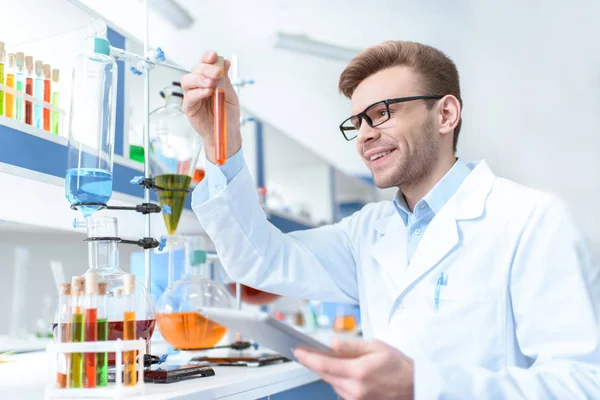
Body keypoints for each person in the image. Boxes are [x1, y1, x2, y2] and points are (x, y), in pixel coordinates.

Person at [180, 41, 600, 399]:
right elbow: (262, 260)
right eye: (357, 122)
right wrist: (222, 140)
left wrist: (424, 386)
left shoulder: (531, 220)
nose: (364, 134)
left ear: (446, 115)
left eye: (381, 113)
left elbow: (582, 383)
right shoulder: (367, 231)